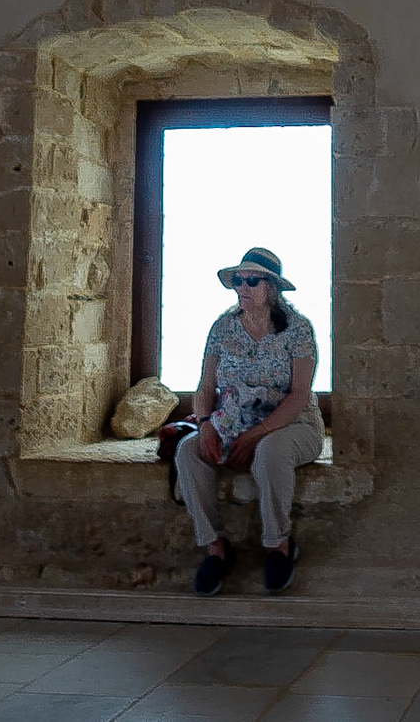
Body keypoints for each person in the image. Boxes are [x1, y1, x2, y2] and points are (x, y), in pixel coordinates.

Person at [176, 246, 324, 596]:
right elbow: (206, 386)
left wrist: (256, 434)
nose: (243, 287)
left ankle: (278, 545)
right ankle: (214, 547)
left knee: (271, 452)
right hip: (232, 422)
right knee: (187, 451)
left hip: (292, 424)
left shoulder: (298, 330)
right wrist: (206, 423)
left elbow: (299, 394)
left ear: (271, 287)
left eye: (252, 280)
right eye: (238, 280)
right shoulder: (223, 328)